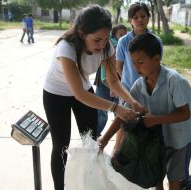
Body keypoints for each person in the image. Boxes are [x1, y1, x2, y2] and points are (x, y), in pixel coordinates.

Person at [43, 5, 145, 190]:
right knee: (61, 145)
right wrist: (115, 108)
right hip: (56, 94)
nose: (102, 45)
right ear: (82, 33)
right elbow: (79, 94)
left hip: (82, 88)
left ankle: (91, 183)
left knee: (91, 141)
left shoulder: (107, 47)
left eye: (106, 39)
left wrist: (132, 101)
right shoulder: (66, 48)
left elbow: (113, 81)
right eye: (97, 40)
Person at [99, 33, 191, 190]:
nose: (136, 67)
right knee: (155, 177)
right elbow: (124, 114)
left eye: (140, 62)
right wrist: (105, 139)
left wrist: (154, 120)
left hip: (179, 140)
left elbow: (185, 114)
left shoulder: (175, 81)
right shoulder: (139, 85)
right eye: (133, 63)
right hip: (155, 141)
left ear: (157, 59)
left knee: (174, 180)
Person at [113, 2, 162, 153]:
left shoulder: (156, 41)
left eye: (143, 16)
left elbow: (157, 65)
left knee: (145, 122)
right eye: (135, 17)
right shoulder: (123, 41)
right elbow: (119, 66)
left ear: (148, 18)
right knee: (123, 122)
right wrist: (126, 86)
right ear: (130, 20)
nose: (139, 20)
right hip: (128, 90)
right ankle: (117, 152)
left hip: (149, 89)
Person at [94, 24, 127, 136]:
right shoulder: (111, 45)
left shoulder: (125, 45)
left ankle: (118, 136)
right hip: (105, 83)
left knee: (118, 112)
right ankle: (95, 135)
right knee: (102, 110)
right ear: (114, 34)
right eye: (120, 34)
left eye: (124, 34)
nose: (122, 36)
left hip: (117, 82)